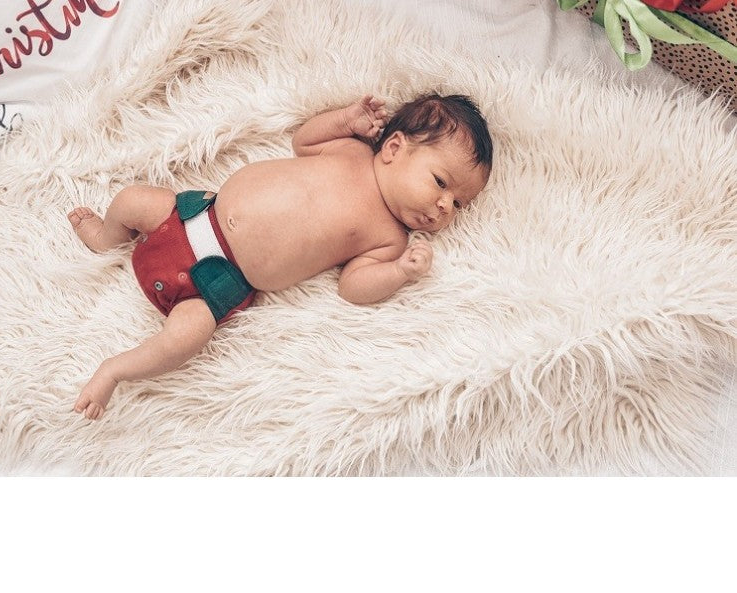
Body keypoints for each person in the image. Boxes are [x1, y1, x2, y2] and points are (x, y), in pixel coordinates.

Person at [67, 93, 493, 419]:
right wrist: (346, 120)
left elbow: (353, 287)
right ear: (394, 148)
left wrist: (399, 271)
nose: (445, 206)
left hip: (213, 285)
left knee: (185, 339)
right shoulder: (351, 152)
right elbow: (303, 140)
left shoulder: (390, 238)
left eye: (459, 204)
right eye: (441, 182)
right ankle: (105, 239)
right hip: (188, 216)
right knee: (133, 199)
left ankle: (115, 370)